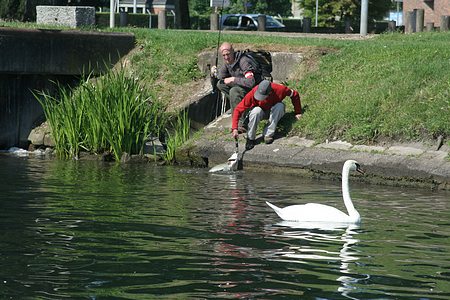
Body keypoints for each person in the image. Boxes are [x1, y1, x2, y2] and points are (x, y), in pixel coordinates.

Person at [231, 80, 302, 151]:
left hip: (274, 111)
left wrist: (297, 112)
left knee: (280, 106)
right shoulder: (253, 92)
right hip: (261, 111)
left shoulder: (280, 89)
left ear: (270, 92)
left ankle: (268, 134)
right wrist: (234, 128)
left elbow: (294, 94)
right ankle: (250, 138)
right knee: (255, 111)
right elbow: (238, 109)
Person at [214, 42, 263, 132]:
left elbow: (251, 82)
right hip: (241, 87)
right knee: (220, 84)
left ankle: (240, 124)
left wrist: (233, 79)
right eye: (223, 55)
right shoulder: (228, 62)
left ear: (233, 51)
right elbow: (221, 78)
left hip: (253, 90)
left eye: (228, 54)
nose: (226, 57)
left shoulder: (244, 61)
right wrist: (214, 73)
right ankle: (239, 105)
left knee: (234, 91)